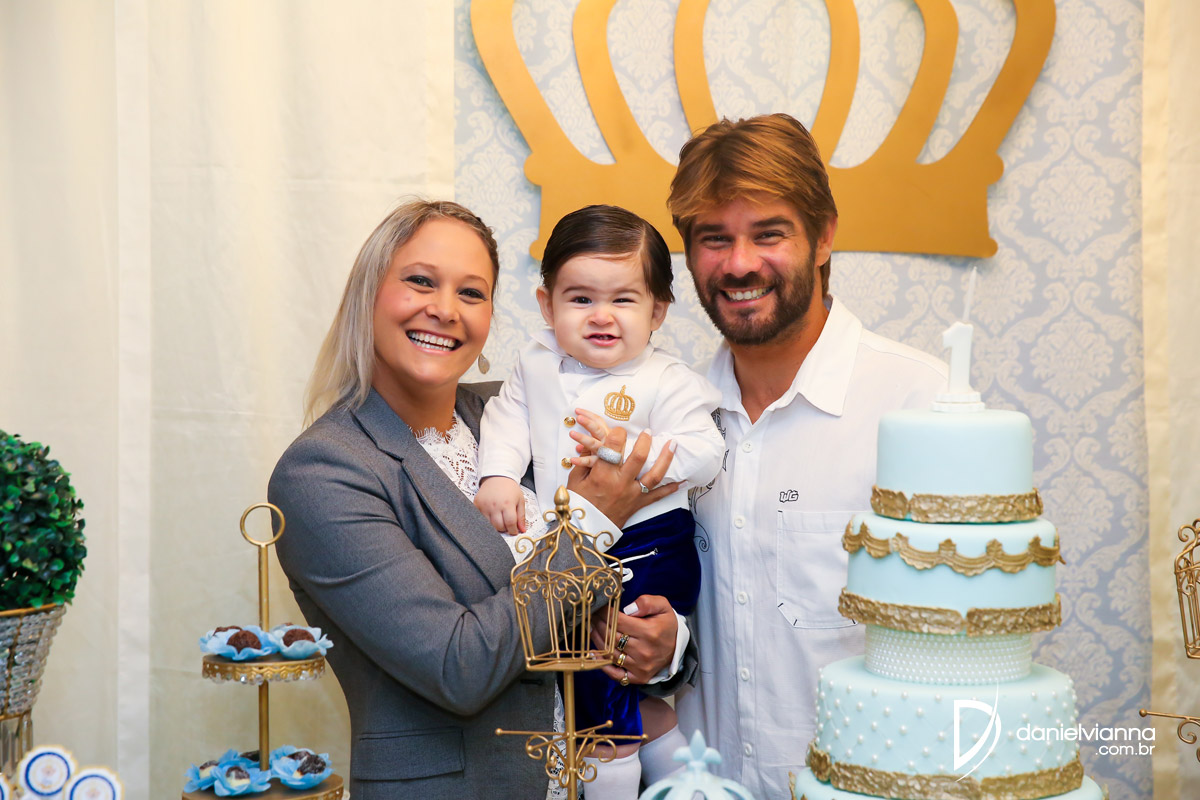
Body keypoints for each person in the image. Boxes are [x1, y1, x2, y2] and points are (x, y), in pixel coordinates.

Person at [268, 200, 684, 800]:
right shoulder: (325, 471)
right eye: (420, 281)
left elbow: (632, 561)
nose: (445, 309)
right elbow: (457, 666)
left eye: (471, 292)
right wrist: (591, 519)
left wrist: (665, 647)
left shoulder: (518, 414)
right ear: (368, 296)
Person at [666, 114, 949, 798]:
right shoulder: (674, 416)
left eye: (769, 234)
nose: (739, 264)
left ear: (823, 237)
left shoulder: (918, 404)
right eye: (714, 238)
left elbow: (959, 650)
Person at [474, 204, 724, 798]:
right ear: (547, 305)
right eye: (580, 298)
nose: (601, 315)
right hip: (574, 545)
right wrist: (499, 476)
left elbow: (706, 452)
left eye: (624, 299)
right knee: (624, 692)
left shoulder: (667, 380)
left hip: (649, 546)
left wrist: (629, 447)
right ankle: (683, 783)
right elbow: (506, 419)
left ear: (658, 311)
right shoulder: (535, 363)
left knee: (599, 679)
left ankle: (614, 775)